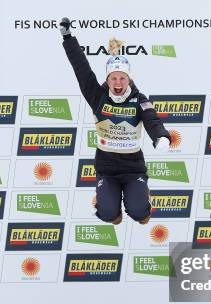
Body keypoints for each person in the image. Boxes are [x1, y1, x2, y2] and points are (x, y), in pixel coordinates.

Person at [59, 17, 171, 225]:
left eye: (122, 78)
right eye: (113, 78)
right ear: (108, 79)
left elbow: (152, 120)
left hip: (133, 167)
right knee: (110, 215)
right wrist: (68, 38)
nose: (117, 83)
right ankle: (107, 206)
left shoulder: (139, 99)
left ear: (129, 79)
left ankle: (141, 200)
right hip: (106, 167)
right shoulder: (97, 96)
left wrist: (161, 137)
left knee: (141, 214)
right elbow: (81, 69)